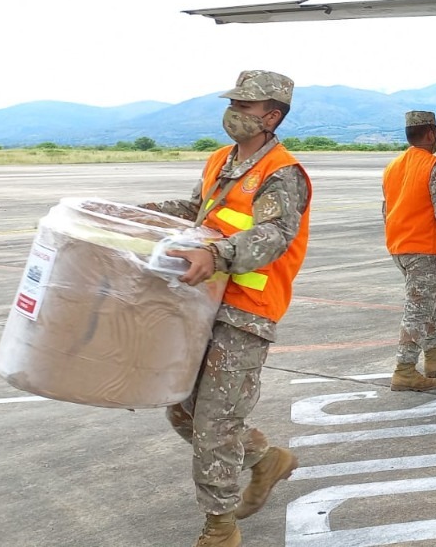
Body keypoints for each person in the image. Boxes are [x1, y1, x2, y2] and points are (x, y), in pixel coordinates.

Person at [142, 70, 311, 547]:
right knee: (181, 411)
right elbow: (198, 210)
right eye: (234, 101)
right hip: (201, 301)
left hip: (246, 308)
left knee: (215, 423)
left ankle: (220, 529)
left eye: (246, 105)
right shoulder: (221, 159)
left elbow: (275, 235)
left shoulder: (282, 173)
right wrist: (138, 210)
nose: (234, 112)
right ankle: (265, 459)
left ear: (272, 116)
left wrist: (215, 254)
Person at [382, 110, 436, 391]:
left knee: (431, 301)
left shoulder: (393, 166)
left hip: (400, 247)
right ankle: (404, 370)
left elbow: (385, 209)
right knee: (418, 309)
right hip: (422, 249)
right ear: (430, 134)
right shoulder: (434, 166)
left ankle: (433, 356)